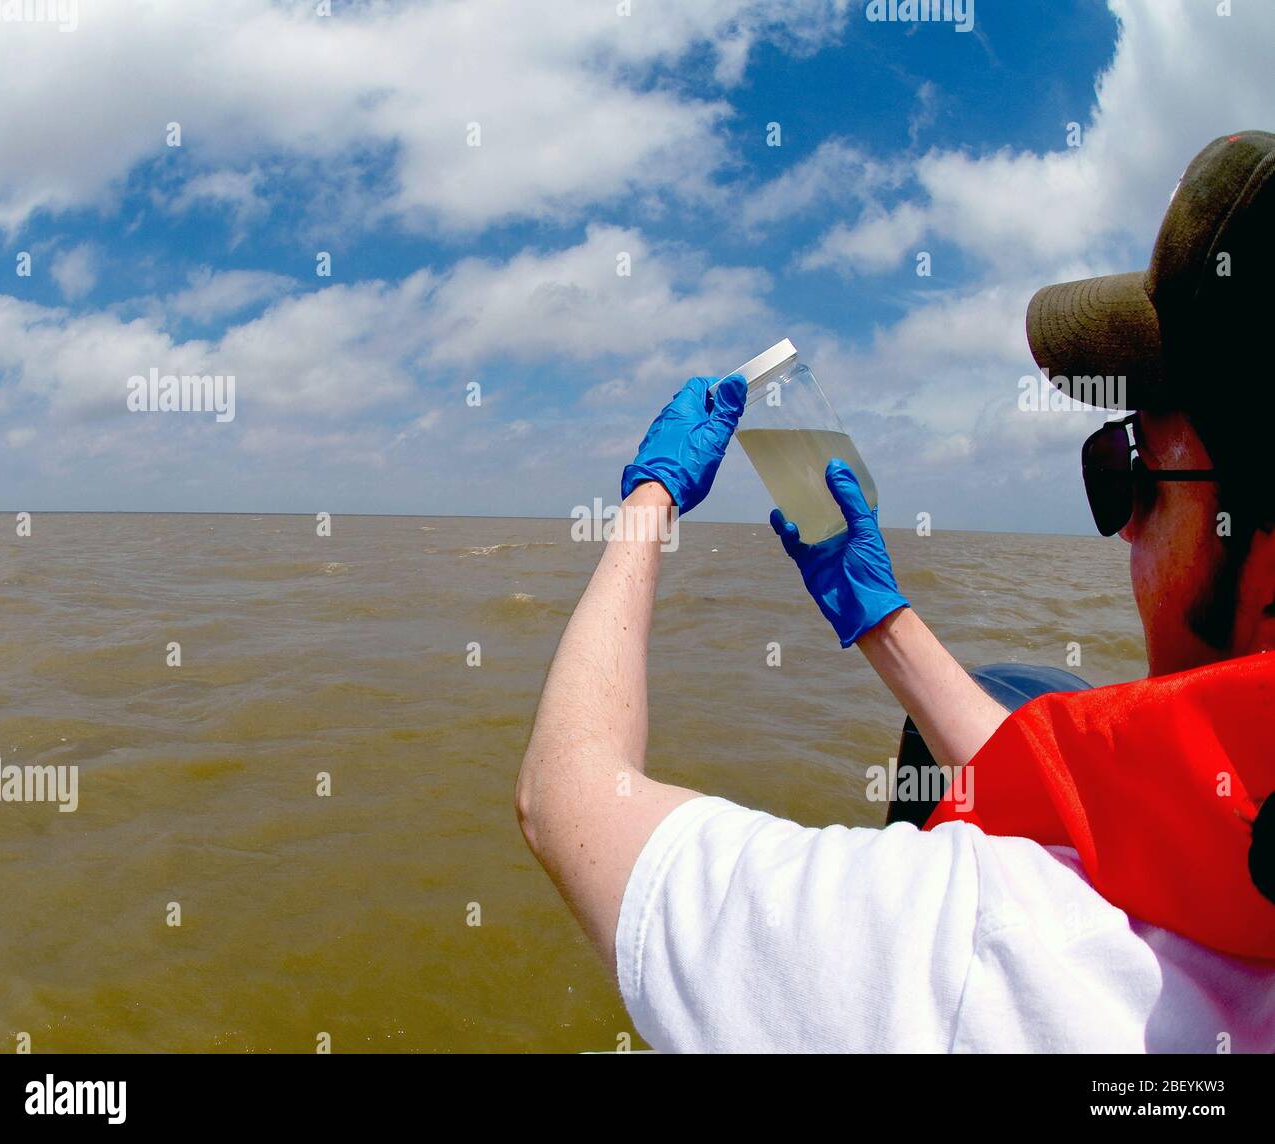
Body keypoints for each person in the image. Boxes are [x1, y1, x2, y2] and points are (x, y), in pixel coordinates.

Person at [515, 132, 1275, 1052]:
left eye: (1127, 468)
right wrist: (879, 616)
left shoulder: (1000, 959)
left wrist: (649, 499)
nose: (1122, 529)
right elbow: (1097, 801)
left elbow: (569, 799)